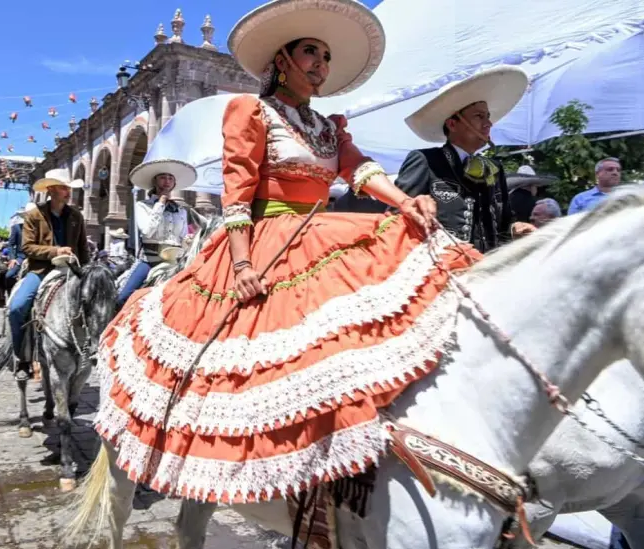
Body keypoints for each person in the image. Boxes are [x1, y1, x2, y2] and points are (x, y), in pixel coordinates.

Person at [92, 0, 478, 513]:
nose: (321, 63)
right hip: (265, 238)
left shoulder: (327, 127)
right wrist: (244, 264)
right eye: (310, 52)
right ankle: (180, 451)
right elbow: (236, 192)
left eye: (325, 55)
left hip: (322, 236)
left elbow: (360, 171)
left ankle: (353, 469)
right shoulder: (250, 111)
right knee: (244, 361)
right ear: (283, 61)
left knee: (353, 341)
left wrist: (407, 201)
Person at [338, 67, 535, 252]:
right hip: (441, 270)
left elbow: (506, 222)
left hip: (489, 270)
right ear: (452, 123)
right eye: (478, 116)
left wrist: (516, 228)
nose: (488, 123)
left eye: (487, 116)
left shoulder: (494, 168)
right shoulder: (426, 160)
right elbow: (400, 215)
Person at [8, 168, 88, 380]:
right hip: (41, 270)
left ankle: (90, 349)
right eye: (63, 187)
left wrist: (86, 271)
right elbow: (27, 247)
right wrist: (55, 251)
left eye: (68, 187)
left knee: (95, 303)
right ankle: (22, 358)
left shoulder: (76, 216)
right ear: (51, 189)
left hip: (70, 270)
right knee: (17, 307)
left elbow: (83, 249)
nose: (67, 191)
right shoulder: (34, 215)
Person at [114, 160, 192, 308]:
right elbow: (147, 231)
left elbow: (182, 236)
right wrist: (160, 204)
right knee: (123, 297)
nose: (167, 181)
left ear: (174, 183)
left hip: (176, 261)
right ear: (154, 181)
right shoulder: (142, 205)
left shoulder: (181, 210)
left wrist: (189, 241)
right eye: (162, 177)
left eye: (170, 178)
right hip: (150, 260)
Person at [5, 202, 37, 289]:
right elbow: (11, 244)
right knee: (9, 276)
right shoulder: (16, 228)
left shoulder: (40, 229)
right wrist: (12, 259)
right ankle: (8, 297)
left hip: (37, 258)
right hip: (21, 258)